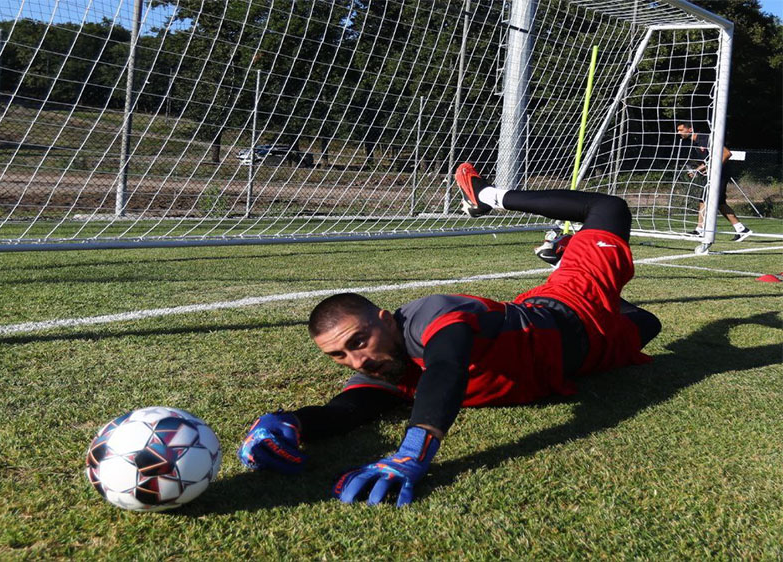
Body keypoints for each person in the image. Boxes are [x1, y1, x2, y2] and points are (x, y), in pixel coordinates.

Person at [237, 163, 663, 506]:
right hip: (588, 360)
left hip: (569, 310)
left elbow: (447, 368)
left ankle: (487, 196)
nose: (357, 360)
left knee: (609, 208)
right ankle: (563, 250)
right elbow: (343, 413)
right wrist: (289, 423)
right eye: (339, 356)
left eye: (358, 341)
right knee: (648, 324)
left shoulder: (429, 316)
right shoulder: (383, 369)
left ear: (386, 320)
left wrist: (412, 453)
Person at [676, 123, 752, 242]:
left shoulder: (705, 138)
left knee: (704, 200)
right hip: (714, 175)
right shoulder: (695, 143)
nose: (679, 133)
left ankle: (700, 230)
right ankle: (741, 229)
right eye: (678, 131)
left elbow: (727, 153)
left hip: (720, 175)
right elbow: (709, 161)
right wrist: (699, 170)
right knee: (719, 203)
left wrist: (712, 169)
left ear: (690, 129)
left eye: (681, 130)